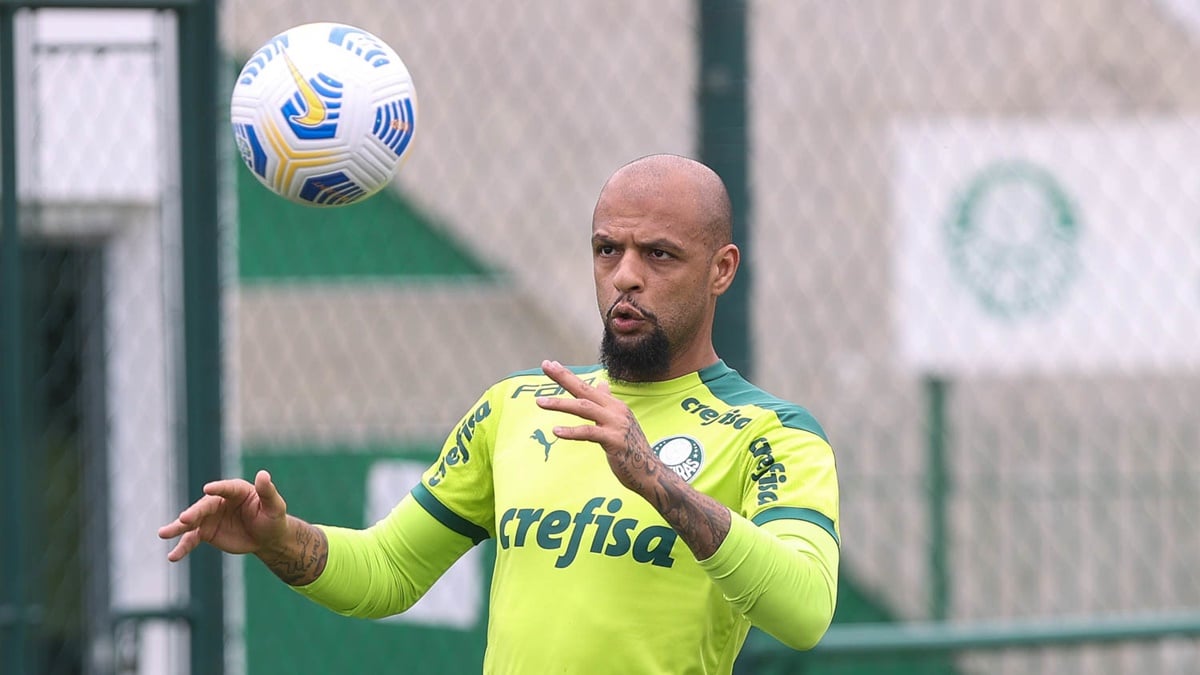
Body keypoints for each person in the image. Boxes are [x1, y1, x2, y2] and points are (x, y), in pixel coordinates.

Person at [159, 153, 840, 673]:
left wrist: (657, 479)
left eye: (659, 254)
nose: (625, 275)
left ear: (721, 269)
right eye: (608, 249)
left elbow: (805, 611)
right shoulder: (516, 407)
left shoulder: (772, 433)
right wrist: (281, 540)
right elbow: (390, 569)